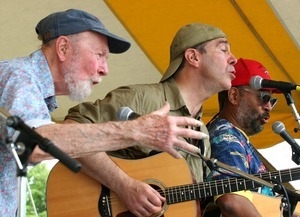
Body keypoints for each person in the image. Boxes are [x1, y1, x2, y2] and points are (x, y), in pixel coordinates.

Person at [0, 9, 207, 216]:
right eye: (99, 55)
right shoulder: (20, 77)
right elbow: (32, 143)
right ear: (63, 48)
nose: (105, 69)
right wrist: (137, 131)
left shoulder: (31, 88)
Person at [64, 23, 237, 217]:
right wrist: (124, 185)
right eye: (223, 49)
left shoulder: (202, 134)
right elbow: (70, 130)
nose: (234, 59)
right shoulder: (143, 99)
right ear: (193, 57)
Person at [205, 58, 279, 217]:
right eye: (264, 97)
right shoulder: (226, 137)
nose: (269, 107)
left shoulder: (236, 137)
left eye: (272, 101)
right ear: (234, 95)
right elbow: (233, 202)